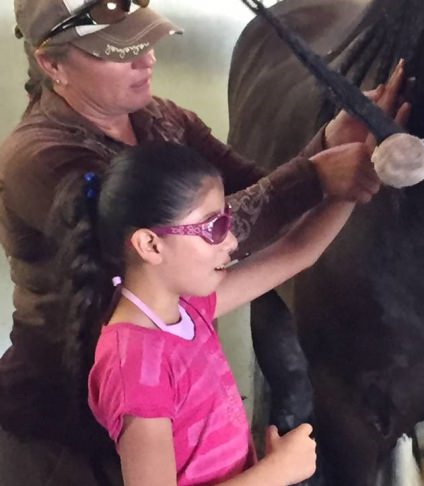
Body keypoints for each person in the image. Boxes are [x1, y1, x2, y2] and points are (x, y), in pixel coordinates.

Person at [0, 0, 408, 484]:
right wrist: (316, 179)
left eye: (145, 41)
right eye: (120, 51)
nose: (147, 59)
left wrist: (335, 153)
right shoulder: (39, 160)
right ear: (51, 64)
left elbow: (265, 211)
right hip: (67, 432)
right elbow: (251, 215)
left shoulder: (160, 124)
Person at [55, 141, 353, 485]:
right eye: (212, 227)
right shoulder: (135, 367)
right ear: (150, 245)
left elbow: (295, 253)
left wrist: (354, 186)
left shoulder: (186, 307)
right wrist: (276, 472)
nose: (230, 242)